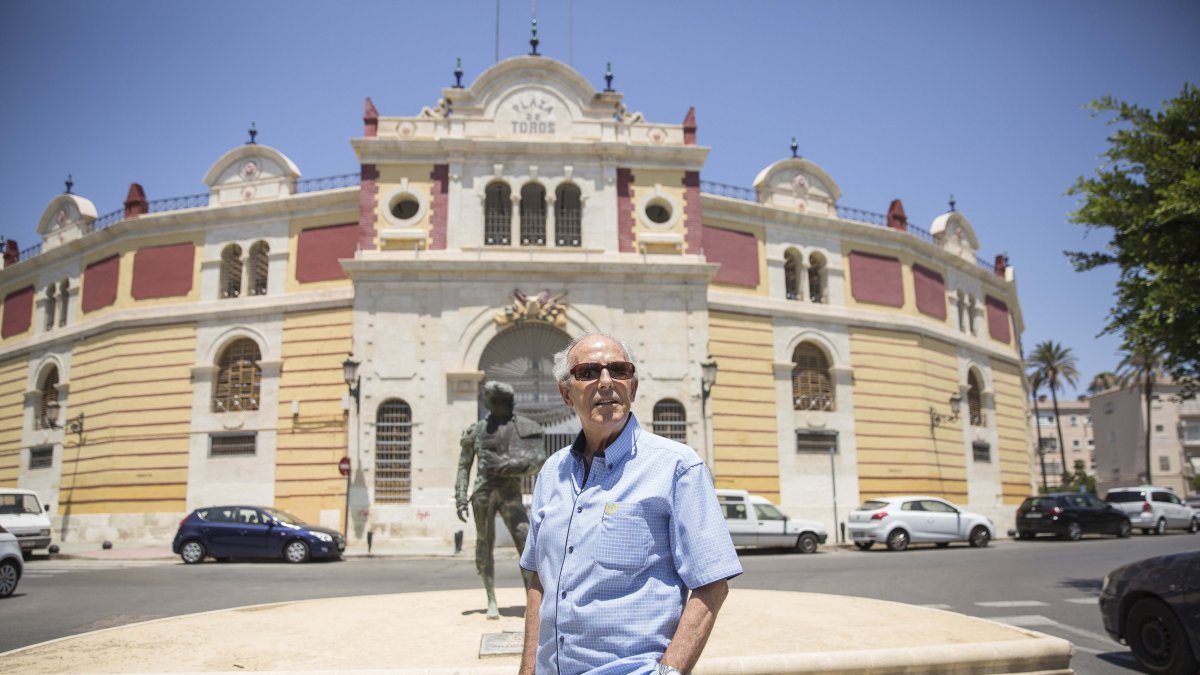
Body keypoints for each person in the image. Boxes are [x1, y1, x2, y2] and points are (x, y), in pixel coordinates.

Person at [518, 333, 741, 674]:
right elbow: (539, 582)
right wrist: (527, 669)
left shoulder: (677, 467)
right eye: (589, 372)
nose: (606, 382)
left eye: (618, 370)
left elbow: (712, 585)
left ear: (632, 388)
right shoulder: (552, 471)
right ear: (566, 393)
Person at [456, 381, 545, 620]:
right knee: (485, 543)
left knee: (525, 538)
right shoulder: (475, 431)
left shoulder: (518, 428)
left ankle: (531, 601)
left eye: (506, 402)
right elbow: (464, 466)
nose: (504, 407)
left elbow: (538, 458)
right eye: (499, 402)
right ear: (492, 403)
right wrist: (460, 497)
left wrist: (514, 465)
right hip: (483, 493)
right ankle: (491, 599)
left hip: (509, 493)